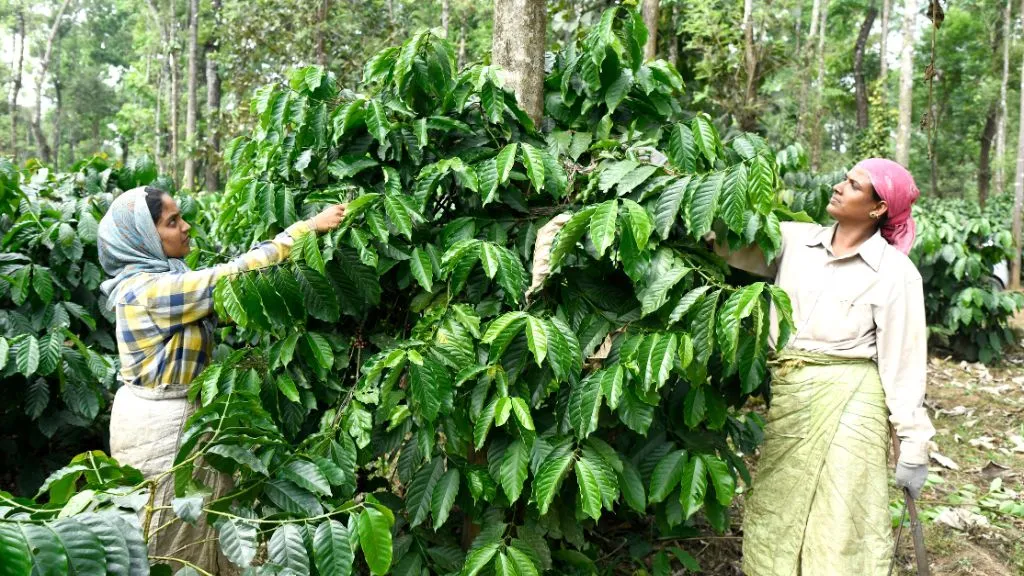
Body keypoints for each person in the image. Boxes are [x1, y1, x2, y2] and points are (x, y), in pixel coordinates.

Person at [96, 186, 346, 573]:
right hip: (159, 426)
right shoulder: (148, 291)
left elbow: (223, 306)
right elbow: (229, 278)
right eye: (172, 222)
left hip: (178, 412)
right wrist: (305, 229)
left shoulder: (167, 277)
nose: (186, 227)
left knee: (201, 524)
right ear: (144, 238)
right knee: (172, 533)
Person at [719, 159, 935, 575]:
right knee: (779, 500)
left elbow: (903, 363)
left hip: (854, 398)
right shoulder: (793, 241)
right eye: (844, 177)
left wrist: (913, 445)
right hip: (794, 390)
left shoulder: (895, 274)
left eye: (853, 185)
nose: (837, 186)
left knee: (843, 511)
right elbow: (723, 242)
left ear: (877, 209)